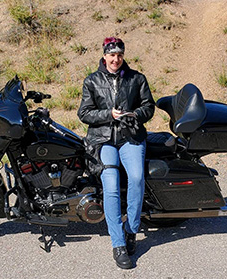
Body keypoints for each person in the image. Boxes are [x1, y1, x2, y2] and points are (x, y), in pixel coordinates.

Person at [77, 37, 155, 269]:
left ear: (123, 56)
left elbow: (148, 106)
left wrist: (134, 114)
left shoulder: (137, 78)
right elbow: (84, 113)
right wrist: (108, 115)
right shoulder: (92, 80)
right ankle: (118, 243)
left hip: (131, 136)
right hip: (103, 140)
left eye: (119, 55)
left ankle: (131, 230)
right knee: (110, 184)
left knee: (137, 178)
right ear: (104, 56)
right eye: (111, 55)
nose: (116, 59)